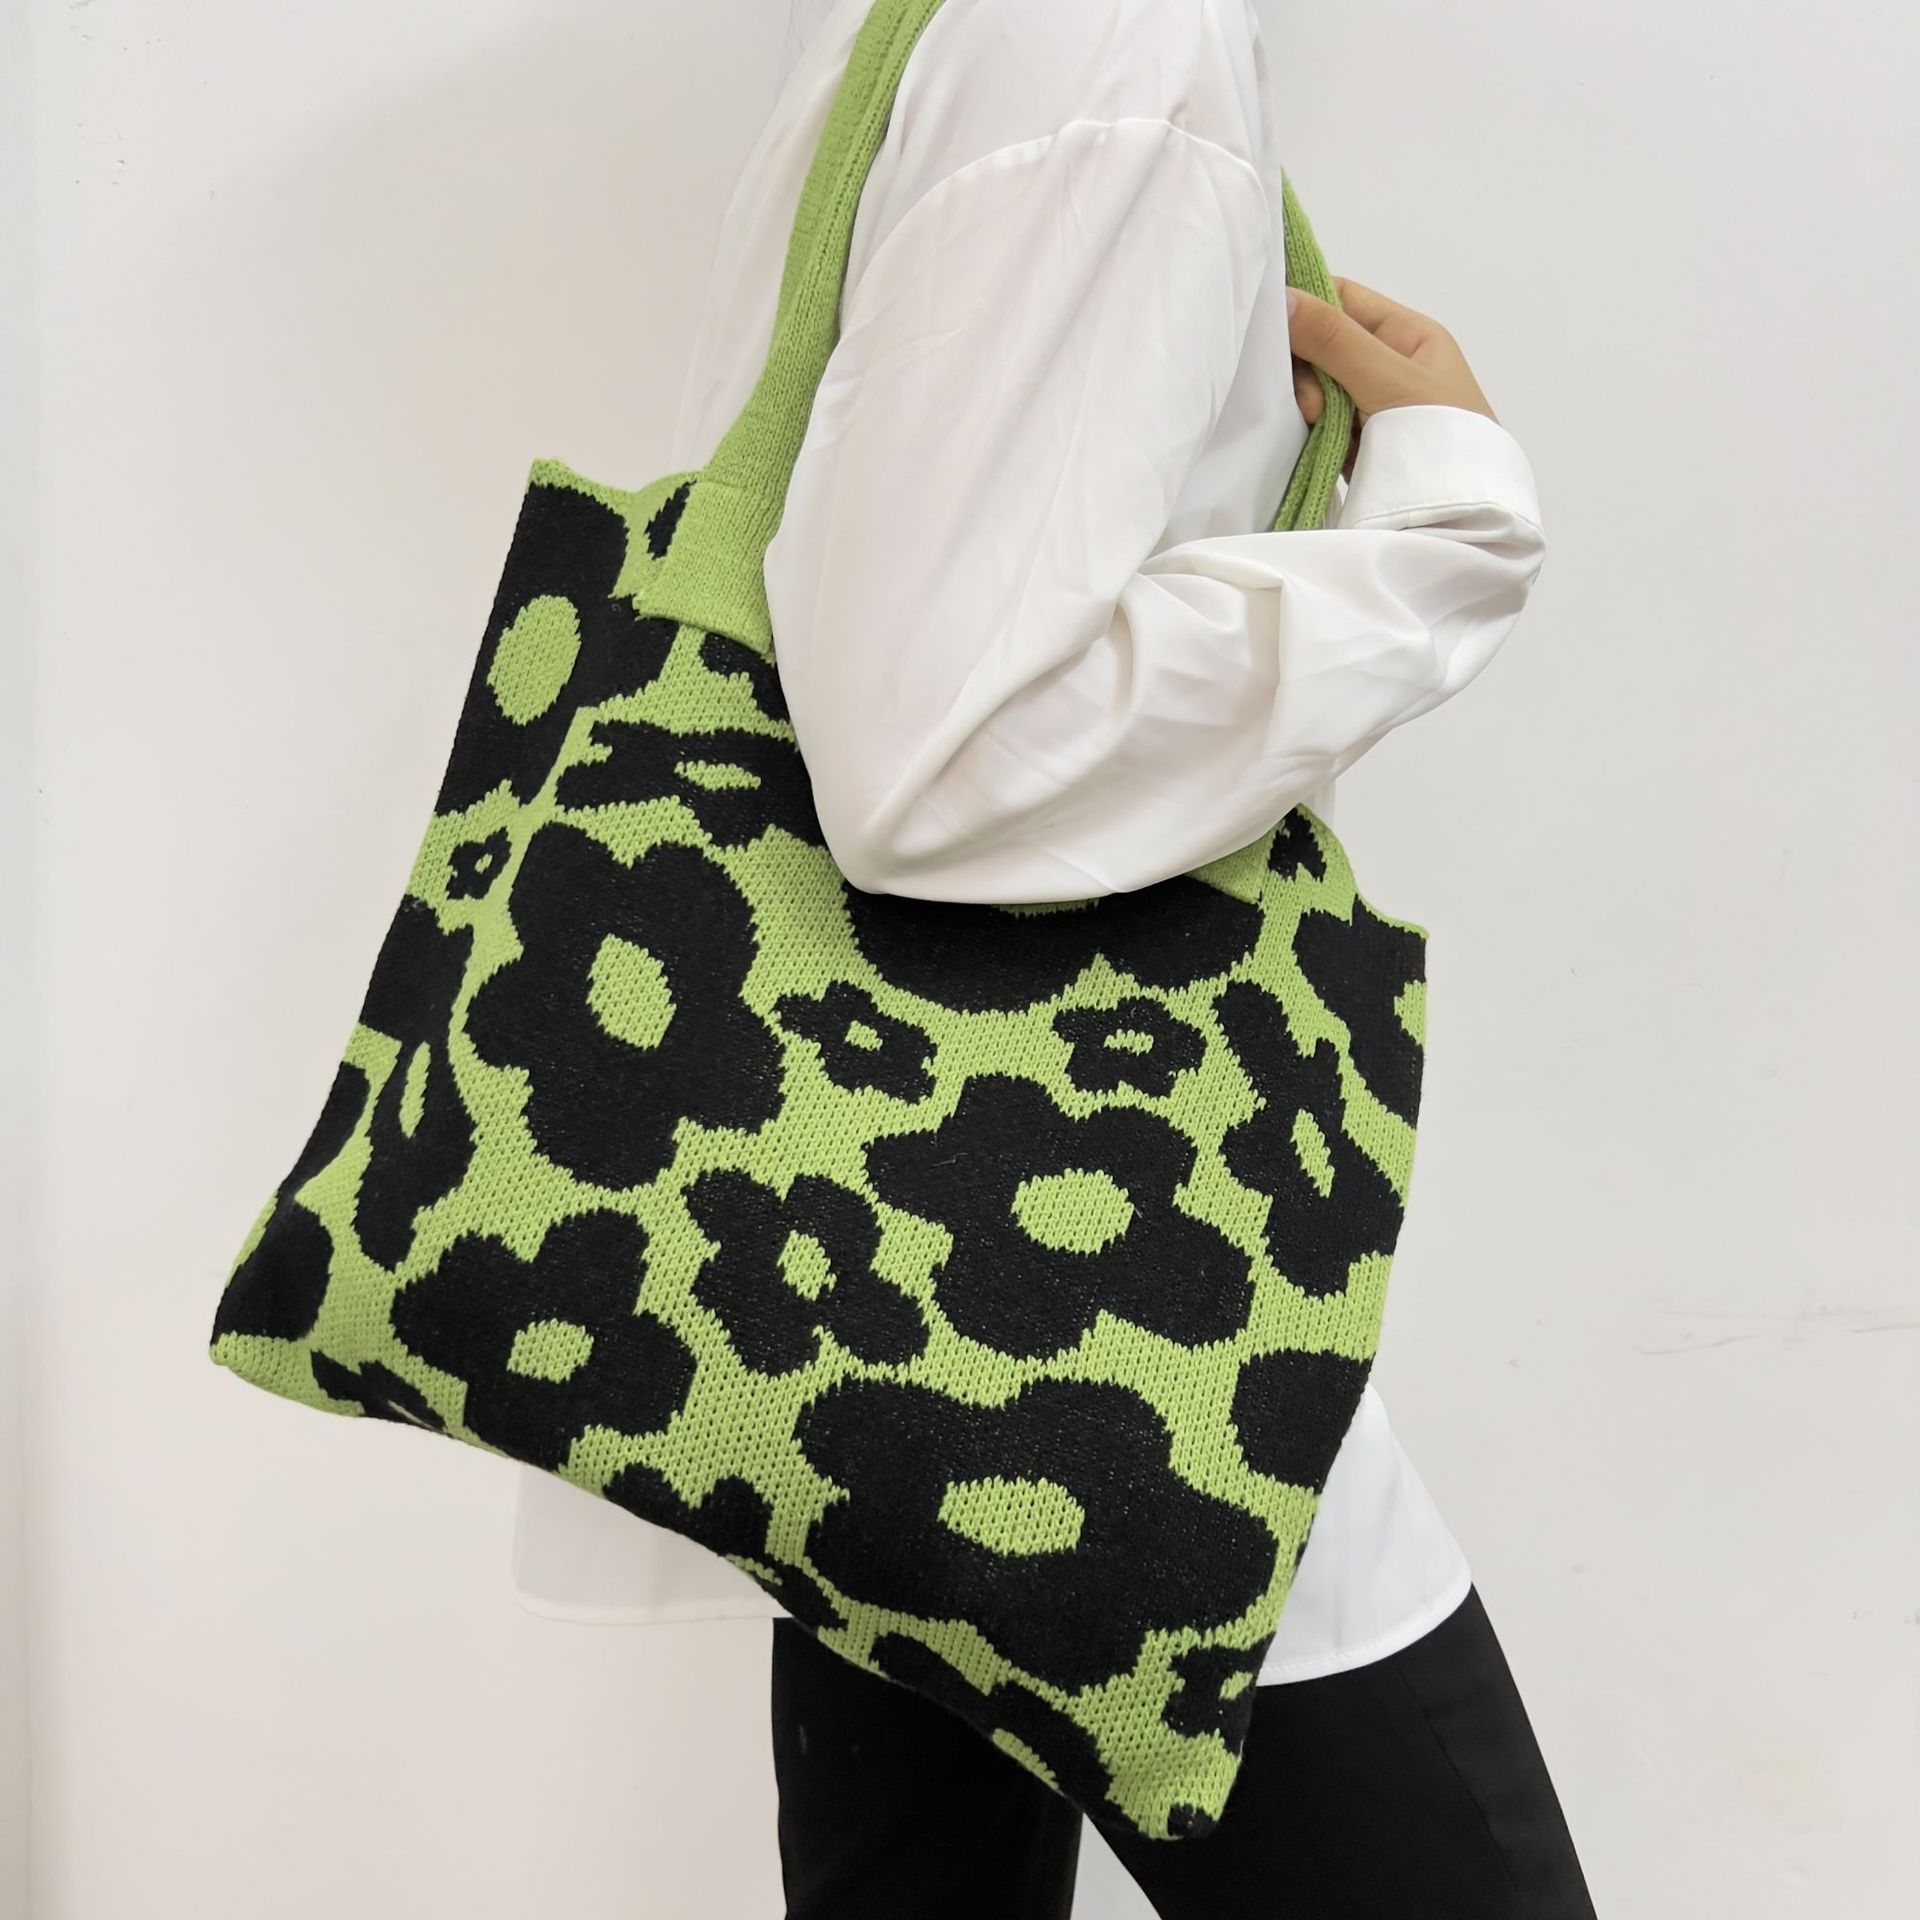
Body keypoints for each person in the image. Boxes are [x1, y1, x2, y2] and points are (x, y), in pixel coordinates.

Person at [512, 2, 1596, 1912]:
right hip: (1118, 1343)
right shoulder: (1108, 29)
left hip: (861, 1317)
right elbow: (943, 757)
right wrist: (1440, 533)